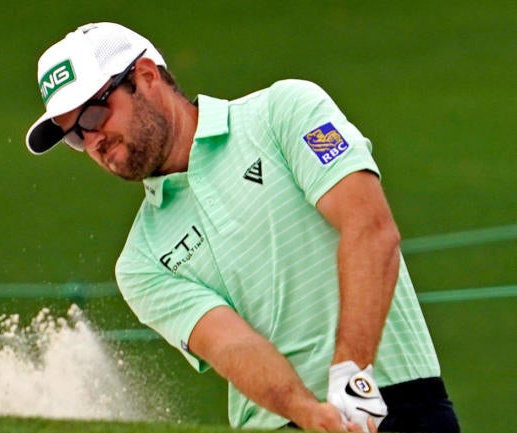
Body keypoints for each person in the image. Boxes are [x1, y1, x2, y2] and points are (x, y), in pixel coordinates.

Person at [25, 22, 460, 433]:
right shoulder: (140, 262)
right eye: (74, 136)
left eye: (94, 115)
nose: (92, 141)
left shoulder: (283, 112)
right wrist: (309, 413)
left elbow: (370, 229)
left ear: (146, 76)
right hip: (280, 421)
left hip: (400, 402)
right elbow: (231, 345)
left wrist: (352, 378)